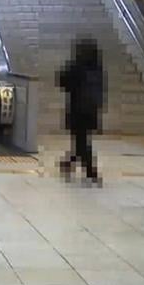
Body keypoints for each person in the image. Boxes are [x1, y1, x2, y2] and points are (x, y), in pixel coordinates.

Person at [57, 38, 104, 186]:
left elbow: (62, 81)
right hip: (91, 111)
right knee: (81, 141)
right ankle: (71, 163)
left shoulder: (76, 67)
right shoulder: (97, 69)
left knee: (80, 142)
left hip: (77, 110)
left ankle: (89, 170)